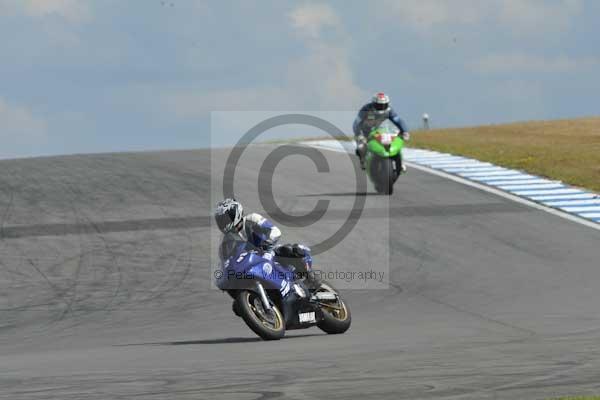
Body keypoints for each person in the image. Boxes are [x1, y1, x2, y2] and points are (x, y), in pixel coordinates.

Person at [214, 198, 314, 283]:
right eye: (221, 220)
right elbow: (225, 257)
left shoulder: (252, 219)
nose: (224, 223)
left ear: (235, 213)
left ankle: (312, 280)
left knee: (291, 250)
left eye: (226, 219)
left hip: (268, 251)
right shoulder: (228, 238)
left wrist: (265, 245)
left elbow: (275, 231)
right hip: (250, 262)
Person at [353, 92, 410, 171]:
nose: (381, 107)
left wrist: (405, 132)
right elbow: (356, 123)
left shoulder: (389, 110)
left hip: (382, 130)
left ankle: (401, 163)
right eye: (379, 105)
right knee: (360, 147)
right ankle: (363, 161)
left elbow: (398, 120)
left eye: (384, 105)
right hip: (365, 132)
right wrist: (359, 134)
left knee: (397, 141)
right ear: (373, 103)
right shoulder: (366, 109)